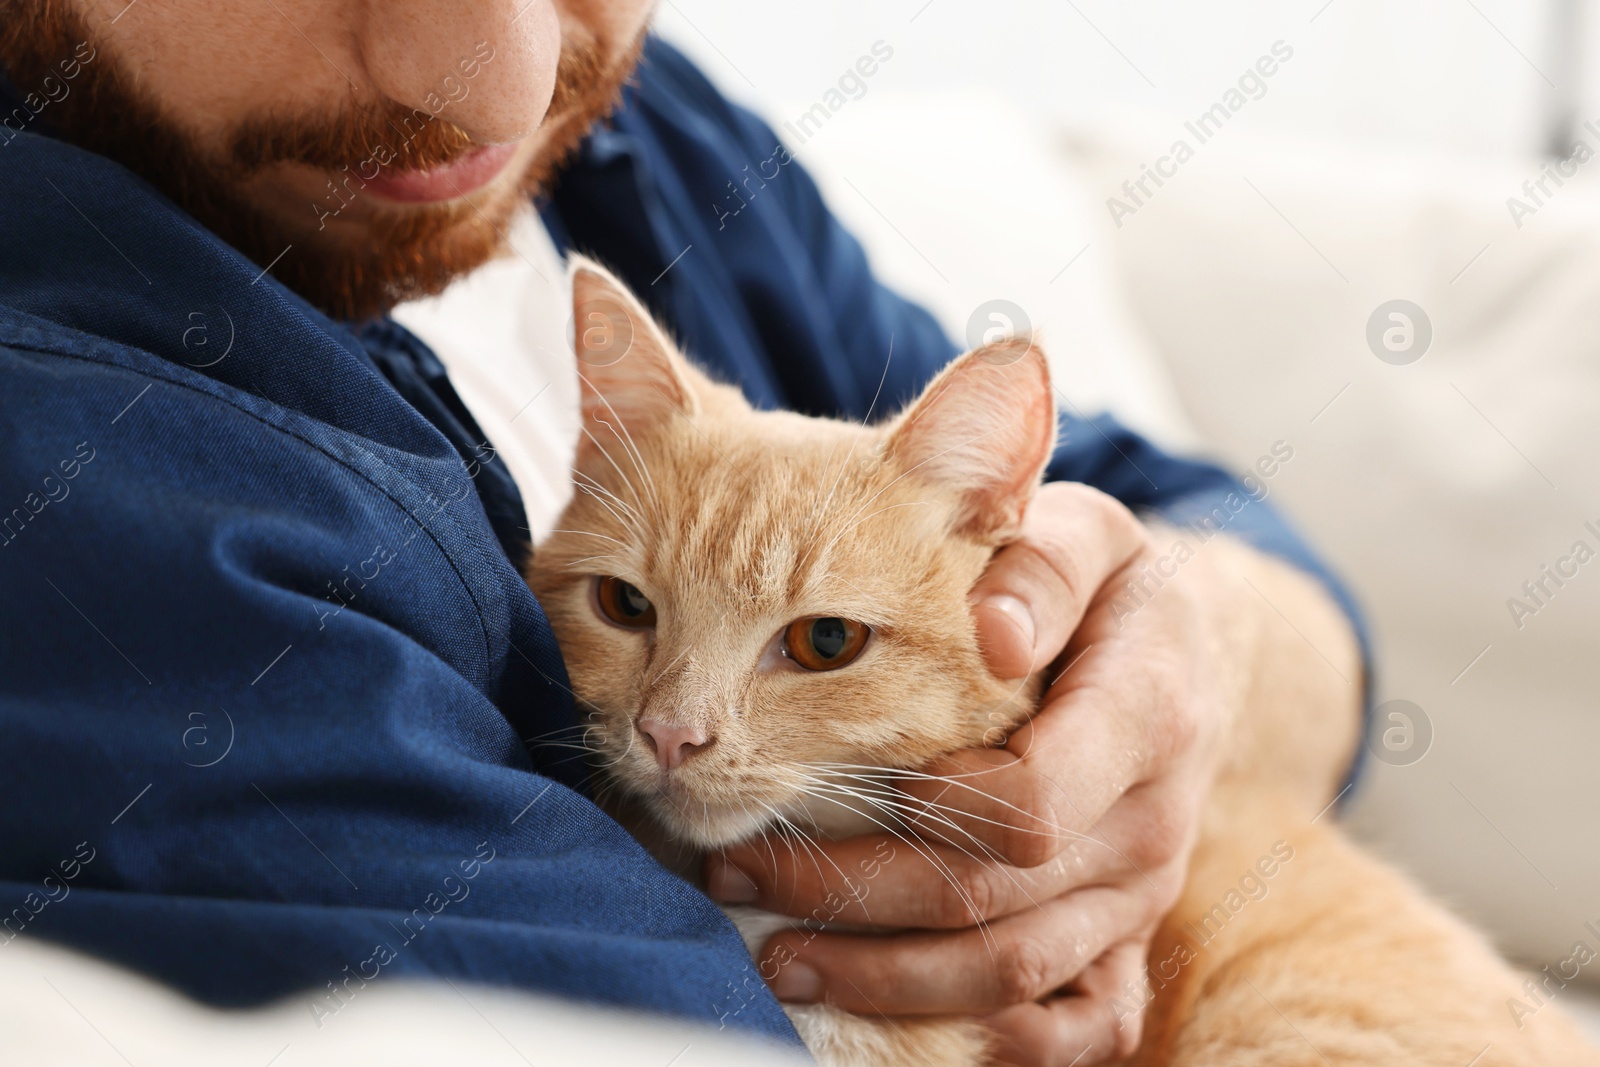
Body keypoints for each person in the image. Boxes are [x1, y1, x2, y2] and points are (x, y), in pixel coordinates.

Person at [0, 1, 1368, 1062]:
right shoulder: (78, 466)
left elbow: (1224, 541)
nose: (503, 88)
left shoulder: (644, 135)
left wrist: (1197, 652)